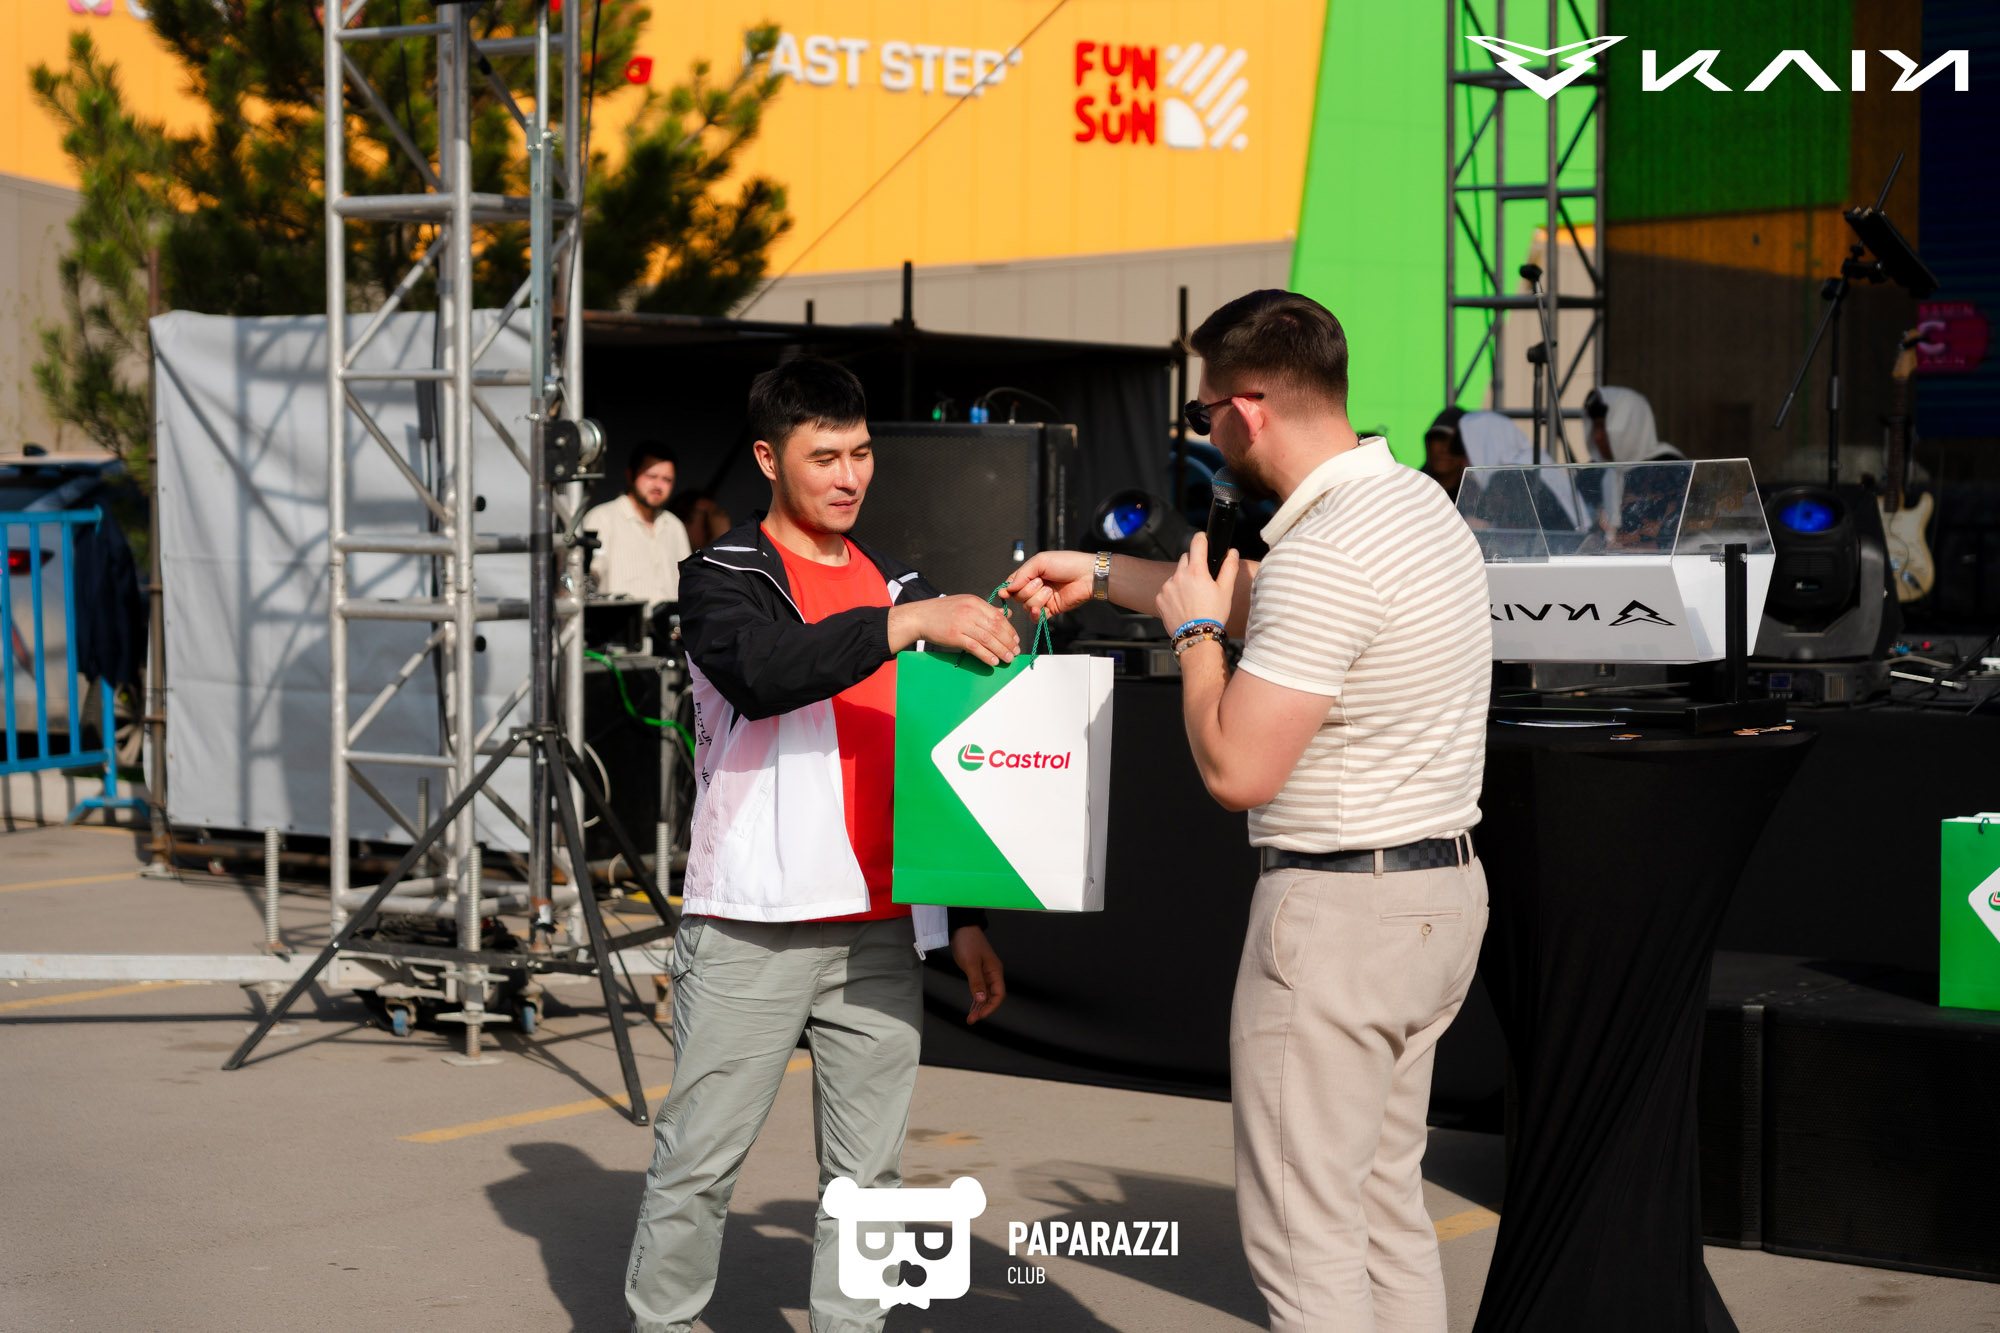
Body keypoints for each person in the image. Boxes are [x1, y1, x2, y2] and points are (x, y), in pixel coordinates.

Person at [1007, 290, 1492, 1333]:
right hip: (1435, 897)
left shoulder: (1327, 549)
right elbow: (1274, 605)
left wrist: (1193, 641)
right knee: (1382, 1210)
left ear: (1249, 407)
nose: (1203, 432)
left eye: (1203, 411)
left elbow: (1235, 766)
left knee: (1304, 1242)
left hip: (1338, 918)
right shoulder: (1413, 504)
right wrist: (1104, 573)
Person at [625, 355, 1013, 1333]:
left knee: (869, 1179)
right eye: (824, 456)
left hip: (883, 927)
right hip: (752, 922)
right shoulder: (722, 575)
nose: (849, 476)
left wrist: (963, 915)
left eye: (862, 453)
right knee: (698, 1164)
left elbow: (941, 755)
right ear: (768, 459)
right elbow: (764, 672)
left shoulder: (899, 582)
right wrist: (902, 623)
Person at [582, 441, 694, 603]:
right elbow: (586, 582)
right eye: (651, 476)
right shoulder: (602, 518)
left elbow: (688, 583)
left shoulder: (674, 525)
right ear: (631, 475)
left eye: (667, 479)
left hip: (670, 619)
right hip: (621, 619)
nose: (658, 485)